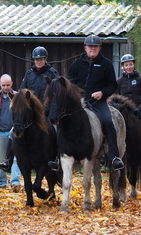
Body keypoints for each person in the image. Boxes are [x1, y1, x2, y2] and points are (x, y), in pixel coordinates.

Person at [49, 34, 124, 171]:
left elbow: (112, 85)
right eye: (90, 46)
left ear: (99, 48)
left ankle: (114, 157)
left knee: (108, 121)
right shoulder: (77, 64)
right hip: (79, 103)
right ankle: (57, 158)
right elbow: (68, 83)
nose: (92, 49)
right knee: (62, 122)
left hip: (98, 102)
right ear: (85, 48)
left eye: (95, 47)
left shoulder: (106, 64)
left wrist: (102, 93)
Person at [0, 47, 59, 173]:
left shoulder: (53, 74)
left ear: (45, 59)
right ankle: (8, 160)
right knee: (12, 132)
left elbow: (56, 94)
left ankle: (57, 160)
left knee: (56, 130)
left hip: (47, 112)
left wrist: (47, 108)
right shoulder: (29, 73)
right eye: (36, 60)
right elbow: (21, 92)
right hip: (31, 114)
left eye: (41, 59)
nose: (39, 62)